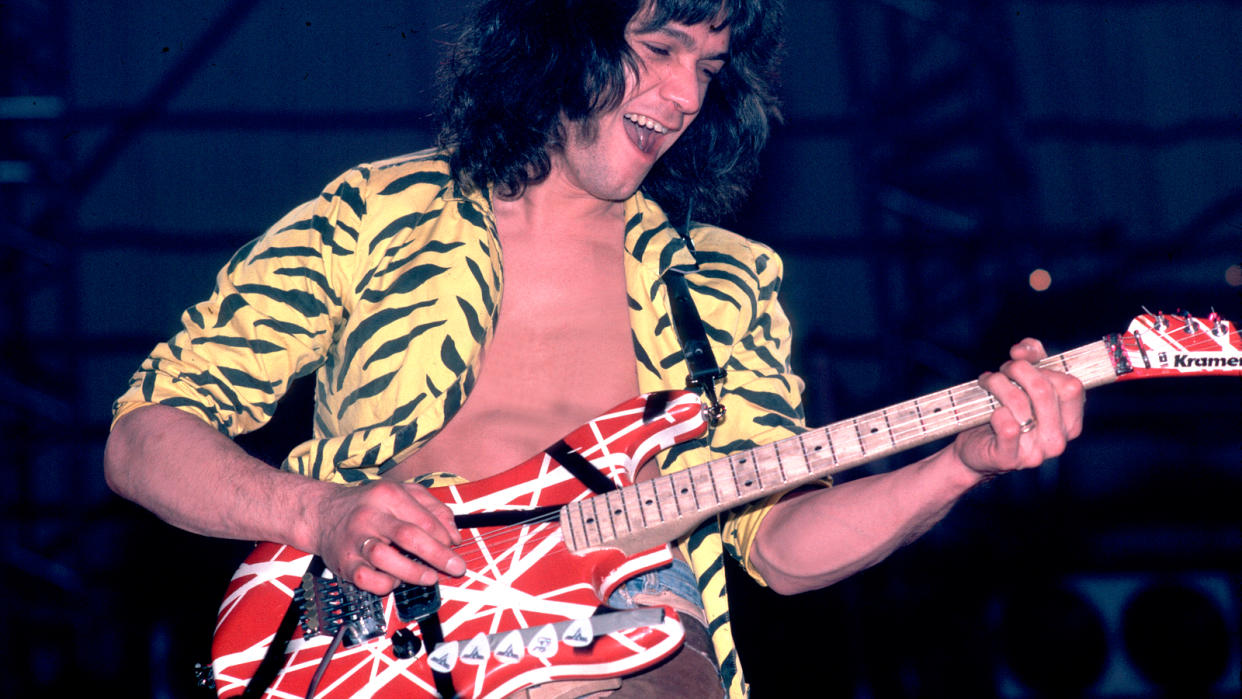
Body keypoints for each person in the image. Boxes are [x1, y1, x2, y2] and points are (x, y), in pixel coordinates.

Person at [103, 0, 1085, 697]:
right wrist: (313, 511)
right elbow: (146, 433)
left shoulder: (725, 283)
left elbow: (780, 548)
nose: (682, 93)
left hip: (632, 637)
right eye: (656, 49)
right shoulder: (379, 211)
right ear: (559, 35)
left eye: (707, 68)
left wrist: (961, 462)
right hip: (369, 637)